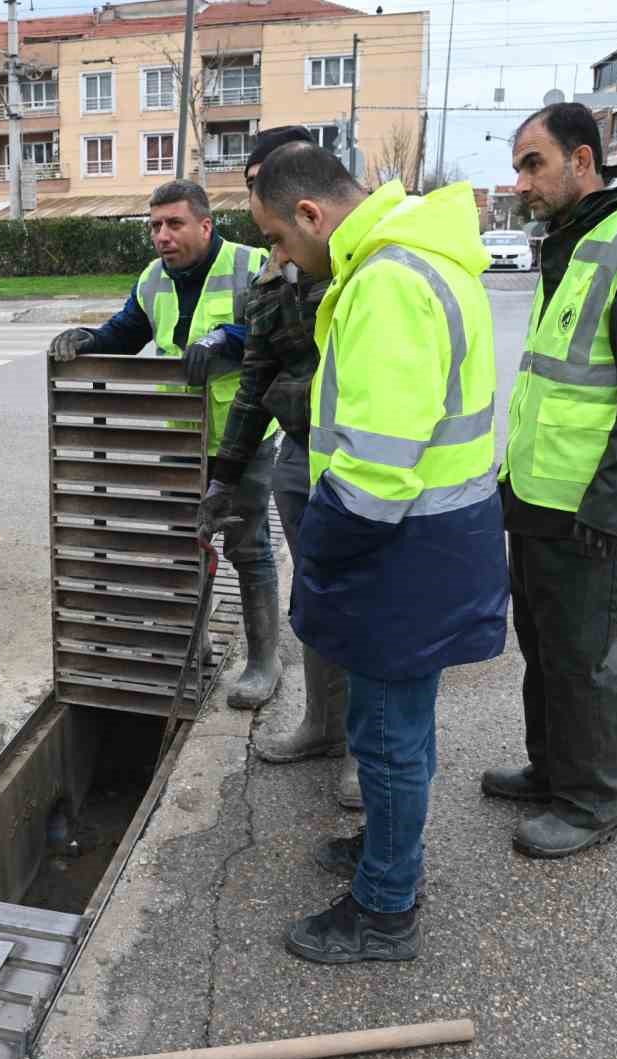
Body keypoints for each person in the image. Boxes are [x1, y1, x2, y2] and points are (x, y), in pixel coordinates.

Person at [250, 143, 507, 963]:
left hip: (401, 546)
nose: (281, 259)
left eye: (281, 241)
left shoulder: (390, 282)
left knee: (391, 735)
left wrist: (319, 556)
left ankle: (386, 910)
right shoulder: (419, 254)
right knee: (391, 723)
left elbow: (375, 470)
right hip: (431, 538)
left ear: (311, 215)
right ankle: (389, 856)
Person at [483, 103, 617, 859]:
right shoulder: (568, 241)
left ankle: (591, 801)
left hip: (594, 508)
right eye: (517, 167)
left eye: (533, 164)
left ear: (582, 161)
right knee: (542, 643)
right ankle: (550, 770)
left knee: (585, 657)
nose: (521, 182)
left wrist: (610, 505)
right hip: (539, 495)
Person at [48, 181, 278, 709]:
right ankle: (189, 650)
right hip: (179, 436)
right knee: (181, 546)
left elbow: (278, 331)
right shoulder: (154, 278)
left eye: (174, 224)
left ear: (205, 224)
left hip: (241, 438)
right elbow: (127, 331)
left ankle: (264, 662)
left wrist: (226, 339)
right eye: (154, 226)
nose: (162, 236)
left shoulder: (251, 264)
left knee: (248, 549)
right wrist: (87, 339)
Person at [198, 125, 358, 809]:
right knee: (317, 599)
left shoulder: (361, 265)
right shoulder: (272, 273)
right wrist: (225, 476)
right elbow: (259, 374)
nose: (258, 204)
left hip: (361, 456)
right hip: (298, 453)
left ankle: (365, 750)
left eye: (268, 186)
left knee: (364, 607)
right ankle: (323, 726)